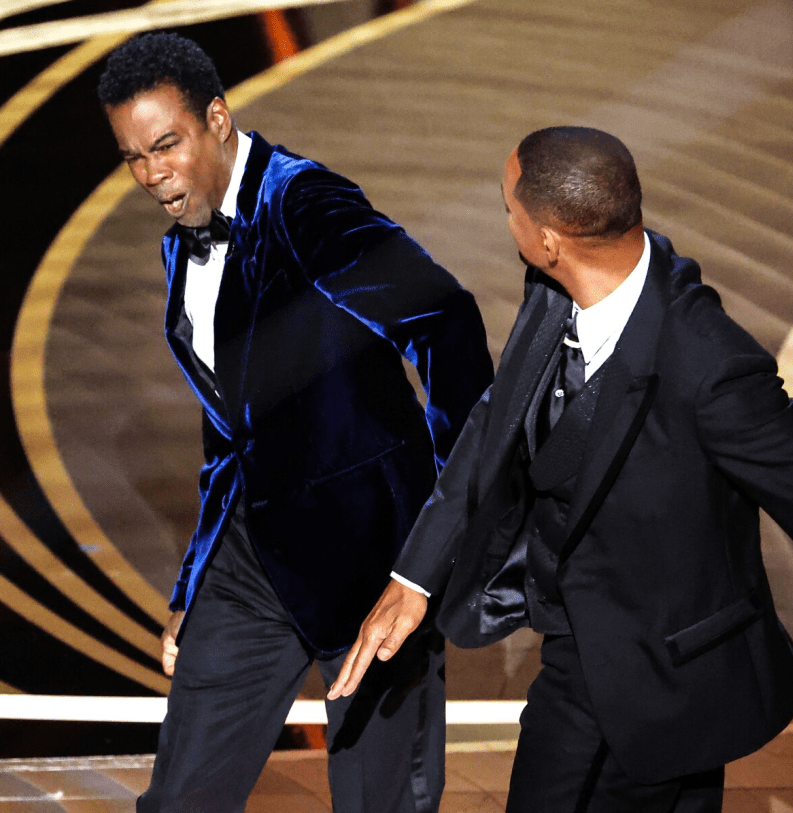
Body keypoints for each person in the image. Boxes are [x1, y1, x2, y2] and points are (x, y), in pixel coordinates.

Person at [331, 126, 793, 812]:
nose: (507, 222)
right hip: (589, 653)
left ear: (550, 240)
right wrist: (416, 576)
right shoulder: (552, 288)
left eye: (508, 209)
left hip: (669, 671)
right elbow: (500, 417)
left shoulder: (711, 365)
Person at [98, 32, 493, 813]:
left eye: (166, 146)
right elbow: (230, 426)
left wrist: (439, 535)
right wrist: (194, 580)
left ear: (217, 119)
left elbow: (446, 322)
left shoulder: (306, 204)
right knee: (180, 800)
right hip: (253, 559)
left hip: (370, 566)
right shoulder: (181, 245)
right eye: (133, 157)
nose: (150, 174)